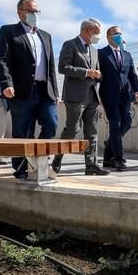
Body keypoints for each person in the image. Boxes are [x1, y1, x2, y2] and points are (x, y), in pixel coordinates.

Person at [0, 0, 59, 180]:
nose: (35, 15)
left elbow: (51, 66)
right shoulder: (8, 31)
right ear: (20, 12)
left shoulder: (45, 36)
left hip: (44, 90)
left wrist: (55, 92)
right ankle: (21, 167)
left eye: (37, 11)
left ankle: (38, 158)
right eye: (31, 11)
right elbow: (2, 59)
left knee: (51, 124)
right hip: (21, 91)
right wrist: (6, 84)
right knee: (22, 131)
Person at [52, 19, 108, 176]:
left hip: (92, 96)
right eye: (96, 32)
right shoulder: (70, 45)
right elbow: (63, 67)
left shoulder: (95, 50)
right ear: (87, 30)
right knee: (72, 129)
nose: (98, 36)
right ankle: (58, 157)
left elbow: (98, 73)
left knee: (92, 132)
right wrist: (85, 72)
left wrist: (98, 75)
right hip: (75, 96)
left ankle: (91, 165)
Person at [98, 26, 138, 171]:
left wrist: (137, 90)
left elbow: (132, 75)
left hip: (126, 95)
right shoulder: (101, 53)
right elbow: (99, 75)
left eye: (120, 33)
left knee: (127, 122)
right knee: (115, 126)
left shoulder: (127, 54)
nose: (119, 36)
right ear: (108, 36)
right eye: (116, 34)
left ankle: (108, 151)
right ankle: (118, 159)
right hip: (109, 96)